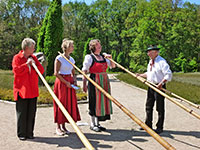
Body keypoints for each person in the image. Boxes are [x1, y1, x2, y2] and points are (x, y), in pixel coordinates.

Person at [12, 38, 45, 140]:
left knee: (31, 113)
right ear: (26, 48)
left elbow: (41, 70)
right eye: (32, 47)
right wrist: (27, 65)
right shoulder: (17, 58)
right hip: (22, 90)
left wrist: (34, 63)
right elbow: (17, 71)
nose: (34, 49)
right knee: (22, 113)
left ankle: (30, 133)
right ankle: (22, 133)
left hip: (33, 90)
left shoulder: (33, 58)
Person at [136, 45, 172, 134]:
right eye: (148, 52)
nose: (148, 54)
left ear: (156, 52)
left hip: (159, 87)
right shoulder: (150, 62)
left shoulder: (162, 62)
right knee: (148, 106)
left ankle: (159, 127)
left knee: (159, 108)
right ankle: (148, 124)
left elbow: (168, 74)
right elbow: (149, 73)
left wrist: (161, 83)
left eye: (150, 52)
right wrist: (140, 75)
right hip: (151, 86)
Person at [82, 39, 116, 132]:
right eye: (97, 45)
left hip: (104, 81)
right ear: (93, 47)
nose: (99, 46)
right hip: (94, 80)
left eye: (99, 44)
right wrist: (84, 84)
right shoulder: (89, 57)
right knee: (94, 101)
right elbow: (84, 71)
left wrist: (110, 58)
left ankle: (98, 123)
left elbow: (113, 66)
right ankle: (92, 124)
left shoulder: (104, 57)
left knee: (102, 102)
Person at [53, 39, 81, 136]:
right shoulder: (59, 58)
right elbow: (56, 73)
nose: (73, 47)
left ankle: (64, 126)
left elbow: (73, 72)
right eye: (72, 46)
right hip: (61, 83)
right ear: (67, 47)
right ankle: (58, 127)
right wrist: (65, 83)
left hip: (69, 82)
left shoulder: (72, 59)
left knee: (67, 103)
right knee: (60, 102)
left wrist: (75, 81)